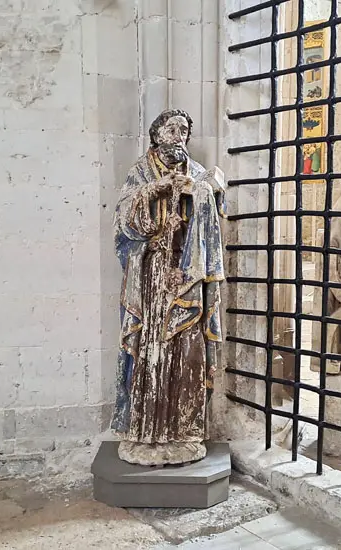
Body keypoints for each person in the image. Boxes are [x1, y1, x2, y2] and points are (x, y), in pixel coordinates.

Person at [111, 109, 226, 466]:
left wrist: (201, 193)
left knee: (188, 348)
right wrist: (155, 190)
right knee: (150, 349)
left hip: (187, 274)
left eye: (185, 130)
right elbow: (123, 220)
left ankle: (184, 431)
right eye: (171, 128)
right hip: (152, 274)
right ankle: (144, 432)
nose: (179, 135)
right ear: (157, 133)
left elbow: (214, 210)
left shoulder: (195, 172)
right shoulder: (140, 172)